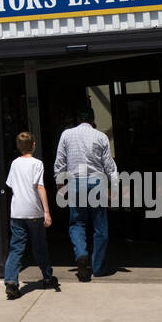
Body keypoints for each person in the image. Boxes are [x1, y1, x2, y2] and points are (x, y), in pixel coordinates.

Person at [54, 105, 118, 282]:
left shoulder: (66, 135)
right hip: (97, 182)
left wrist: (60, 184)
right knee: (100, 227)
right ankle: (98, 268)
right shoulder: (101, 136)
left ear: (77, 119)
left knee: (77, 223)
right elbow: (109, 166)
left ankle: (81, 254)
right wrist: (115, 187)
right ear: (93, 119)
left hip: (76, 182)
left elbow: (60, 161)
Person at [4, 131, 56, 299]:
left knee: (16, 247)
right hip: (34, 211)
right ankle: (48, 277)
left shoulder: (14, 164)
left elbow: (11, 185)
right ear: (34, 145)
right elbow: (40, 187)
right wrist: (47, 211)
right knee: (39, 245)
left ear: (18, 147)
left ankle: (11, 282)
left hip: (17, 212)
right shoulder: (37, 164)